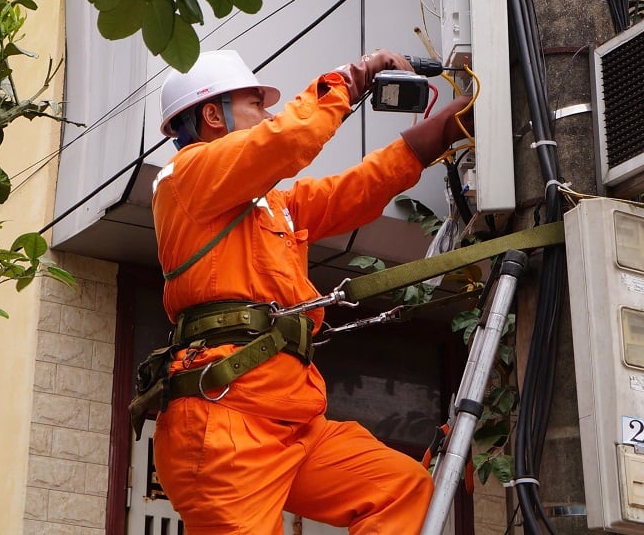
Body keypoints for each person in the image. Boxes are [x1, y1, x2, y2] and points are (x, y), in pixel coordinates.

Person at [148, 48, 472, 534]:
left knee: (400, 490)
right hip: (224, 423)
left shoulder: (270, 204)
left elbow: (353, 191)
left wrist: (439, 134)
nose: (269, 113)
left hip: (293, 419)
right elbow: (288, 140)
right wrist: (352, 79)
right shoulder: (184, 177)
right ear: (212, 115)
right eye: (255, 104)